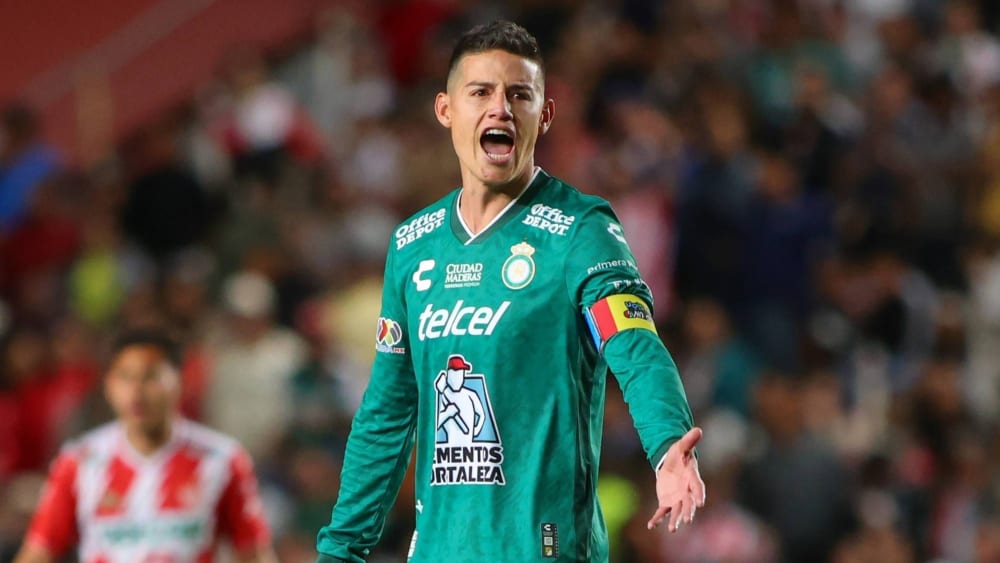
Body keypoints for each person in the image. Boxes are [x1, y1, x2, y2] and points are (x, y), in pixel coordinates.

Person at [315, 20, 705, 562]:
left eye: (519, 94)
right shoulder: (412, 246)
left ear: (543, 115)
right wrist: (340, 550)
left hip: (542, 548)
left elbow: (632, 342)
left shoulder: (579, 230)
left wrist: (667, 446)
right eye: (480, 92)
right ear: (446, 109)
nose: (500, 108)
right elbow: (386, 413)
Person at [13, 327, 277, 563]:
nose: (136, 392)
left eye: (151, 377)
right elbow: (39, 552)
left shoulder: (221, 459)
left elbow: (253, 554)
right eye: (125, 377)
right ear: (108, 386)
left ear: (180, 382)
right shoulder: (79, 460)